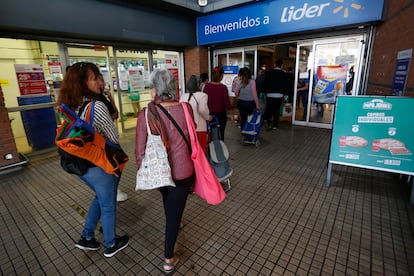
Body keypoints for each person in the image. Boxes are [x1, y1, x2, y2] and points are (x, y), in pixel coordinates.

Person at [58, 62, 129, 258]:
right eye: (95, 78)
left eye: (100, 76)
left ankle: (87, 237)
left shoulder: (75, 105)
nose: (100, 81)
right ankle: (111, 244)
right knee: (108, 204)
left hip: (82, 165)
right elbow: (113, 138)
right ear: (83, 83)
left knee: (100, 198)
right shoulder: (96, 106)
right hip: (101, 164)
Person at [135, 68, 194, 274]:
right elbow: (193, 139)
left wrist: (147, 172)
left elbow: (139, 150)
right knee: (174, 213)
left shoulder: (146, 113)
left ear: (155, 90)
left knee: (169, 205)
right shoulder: (186, 108)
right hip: (184, 171)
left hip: (160, 172)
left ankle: (170, 251)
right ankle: (168, 259)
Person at [96, 75, 128, 202]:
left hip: (100, 143)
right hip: (107, 142)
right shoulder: (99, 102)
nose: (101, 83)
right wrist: (110, 99)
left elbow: (115, 114)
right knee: (115, 165)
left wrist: (110, 98)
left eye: (102, 80)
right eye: (96, 80)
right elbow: (115, 114)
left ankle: (110, 191)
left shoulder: (96, 99)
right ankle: (113, 191)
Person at [180, 75, 210, 153]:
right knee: (200, 153)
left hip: (186, 129)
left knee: (189, 152)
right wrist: (208, 117)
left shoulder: (183, 96)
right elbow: (202, 110)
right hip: (199, 129)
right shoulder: (202, 95)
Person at [203, 66, 233, 141]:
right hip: (221, 115)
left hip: (210, 114)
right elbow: (227, 103)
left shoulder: (207, 86)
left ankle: (211, 147)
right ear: (221, 76)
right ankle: (220, 148)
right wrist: (231, 115)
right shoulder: (223, 88)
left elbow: (204, 101)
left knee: (211, 132)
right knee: (220, 132)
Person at [262, 59, 290, 130]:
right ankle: (275, 125)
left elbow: (265, 83)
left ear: (275, 64)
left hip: (269, 94)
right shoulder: (284, 74)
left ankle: (267, 122)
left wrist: (264, 93)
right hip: (279, 95)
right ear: (282, 65)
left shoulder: (269, 73)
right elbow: (286, 85)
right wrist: (285, 95)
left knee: (268, 109)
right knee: (276, 110)